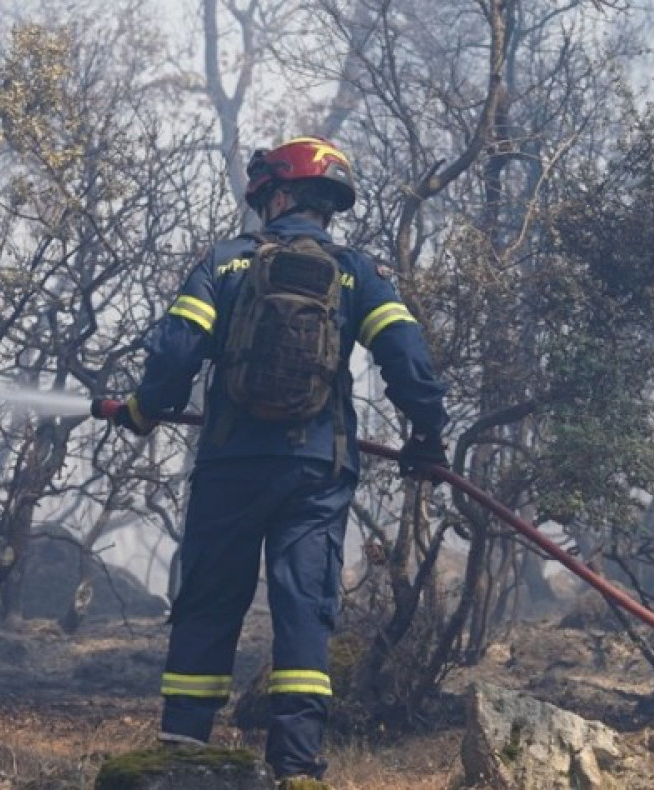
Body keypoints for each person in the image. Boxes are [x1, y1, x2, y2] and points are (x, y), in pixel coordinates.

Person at [107, 136, 449, 786]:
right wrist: (427, 435)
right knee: (304, 607)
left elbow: (176, 353)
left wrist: (143, 409)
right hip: (316, 471)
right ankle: (295, 767)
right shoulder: (357, 272)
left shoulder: (226, 263)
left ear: (280, 196)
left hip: (230, 465)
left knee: (209, 601)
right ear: (327, 204)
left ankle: (182, 754)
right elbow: (407, 357)